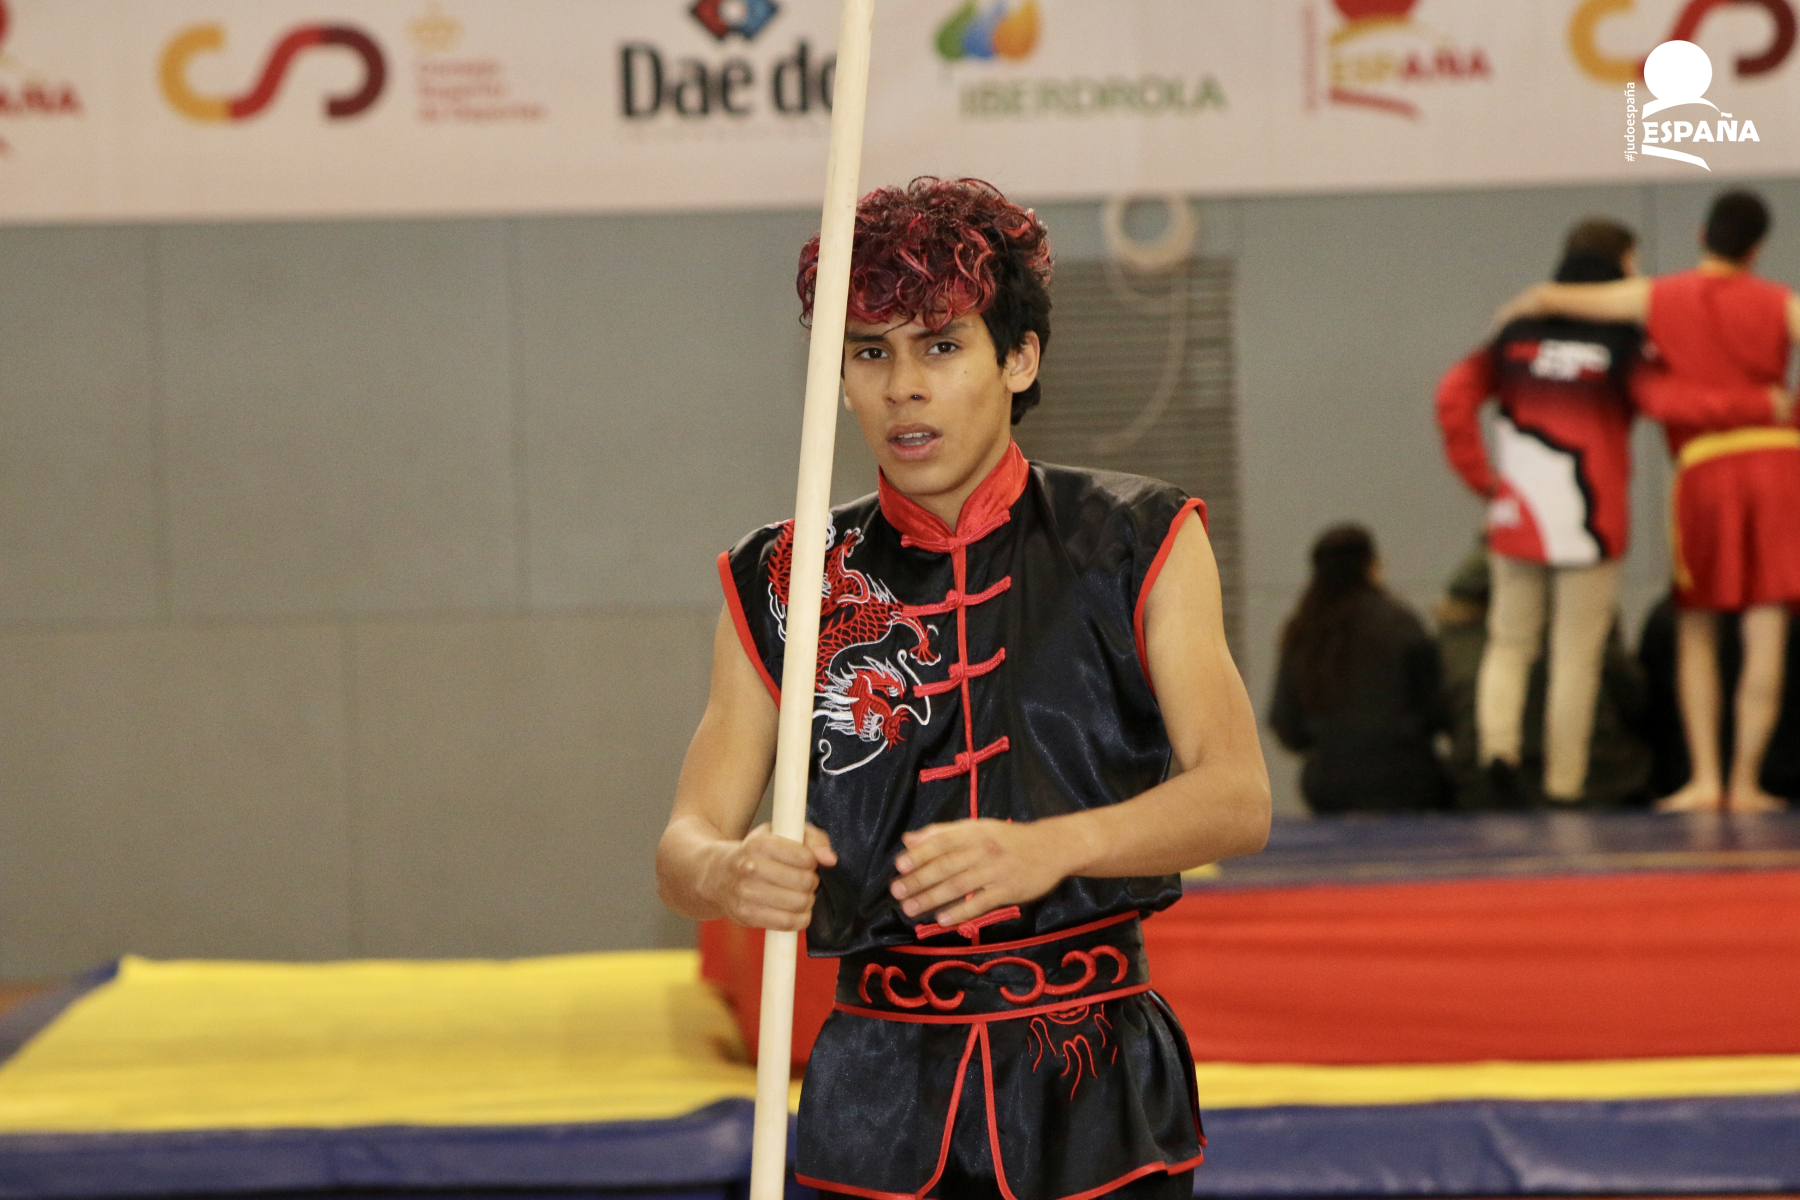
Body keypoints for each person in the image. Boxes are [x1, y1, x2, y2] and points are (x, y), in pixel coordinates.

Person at [655, 178, 1270, 1200]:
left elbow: (1238, 798)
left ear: (1017, 359)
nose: (903, 387)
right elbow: (684, 845)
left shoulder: (1137, 537)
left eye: (939, 346)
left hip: (1094, 1089)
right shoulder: (787, 576)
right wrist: (729, 873)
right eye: (870, 352)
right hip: (876, 1098)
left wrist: (1054, 846)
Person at [1499, 190, 1800, 813]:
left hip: (1704, 467)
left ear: (1701, 235)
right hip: (1779, 465)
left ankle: (1706, 779)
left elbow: (1548, 297)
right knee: (1766, 624)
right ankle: (1748, 782)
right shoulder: (1782, 304)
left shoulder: (1659, 296)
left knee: (1697, 626)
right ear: (1757, 249)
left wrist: (1513, 320)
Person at [1436, 218, 1644, 806]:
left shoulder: (1514, 331)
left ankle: (1498, 753)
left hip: (1520, 514)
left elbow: (1453, 395)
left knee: (1509, 643)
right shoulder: (1625, 341)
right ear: (1621, 265)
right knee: (1576, 657)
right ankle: (1564, 784)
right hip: (1590, 518)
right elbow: (1666, 397)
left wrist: (1483, 480)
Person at [1269, 524, 1449, 814]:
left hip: (1329, 785)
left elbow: (1286, 723)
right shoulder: (1402, 623)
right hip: (1408, 781)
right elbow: (1437, 708)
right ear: (1372, 566)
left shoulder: (1303, 632)